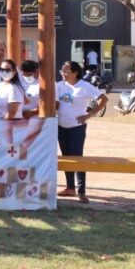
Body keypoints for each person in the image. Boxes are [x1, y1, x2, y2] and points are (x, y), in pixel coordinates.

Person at [56, 61, 108, 204]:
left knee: (78, 158)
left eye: (67, 71)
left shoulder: (84, 86)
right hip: (61, 126)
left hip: (77, 127)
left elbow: (104, 99)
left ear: (75, 73)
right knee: (66, 157)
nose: (63, 74)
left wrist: (88, 115)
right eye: (62, 71)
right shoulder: (59, 85)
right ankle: (70, 188)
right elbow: (56, 104)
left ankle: (82, 191)